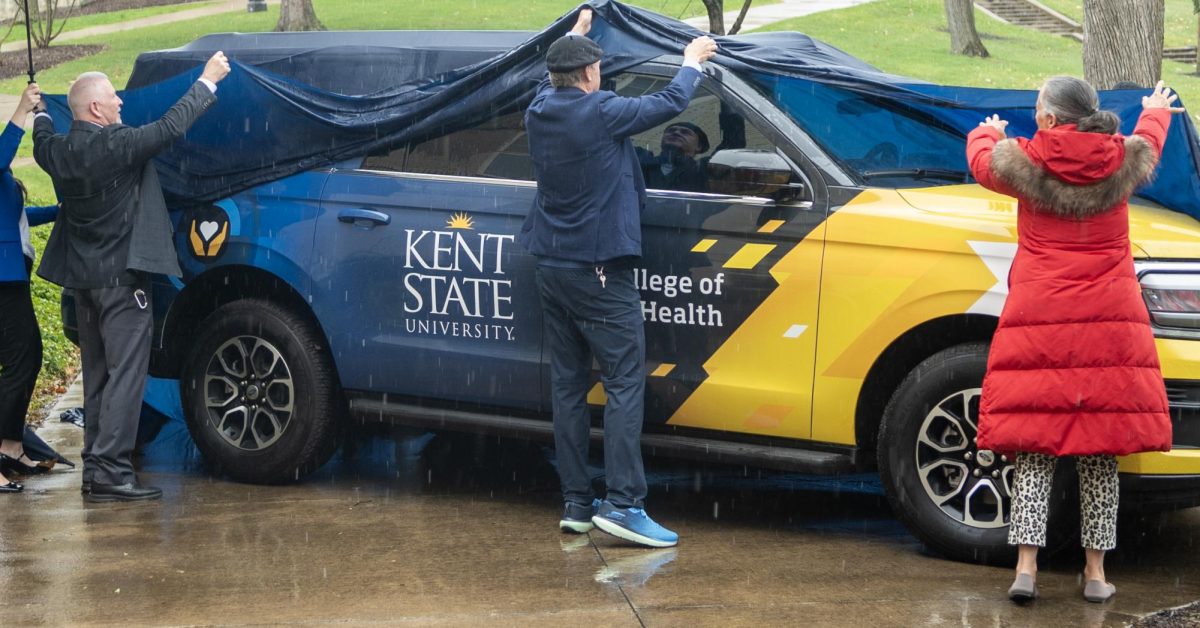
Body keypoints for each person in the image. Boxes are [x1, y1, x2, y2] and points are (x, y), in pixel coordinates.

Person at [967, 77, 1180, 603]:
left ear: (1047, 120)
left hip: (1042, 317)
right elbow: (1150, 142)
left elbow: (980, 164)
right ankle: (1095, 575)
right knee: (1099, 454)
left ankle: (1026, 569)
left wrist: (985, 131)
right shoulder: (1124, 159)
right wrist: (1156, 110)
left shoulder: (1024, 161)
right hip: (1109, 321)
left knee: (1036, 448)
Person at [519, 7, 717, 548]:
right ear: (588, 77)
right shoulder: (601, 111)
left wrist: (575, 36)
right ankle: (626, 505)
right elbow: (671, 103)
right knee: (625, 382)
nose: (600, 76)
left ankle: (577, 503)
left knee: (568, 385)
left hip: (552, 266)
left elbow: (549, 78)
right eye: (596, 69)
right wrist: (690, 62)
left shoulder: (539, 111)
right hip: (600, 272)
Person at [32, 52, 231, 502]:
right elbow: (170, 127)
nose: (120, 102)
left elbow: (41, 139)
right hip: (122, 282)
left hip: (83, 284)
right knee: (126, 376)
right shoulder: (116, 145)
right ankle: (112, 472)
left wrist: (39, 111)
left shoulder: (58, 152)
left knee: (99, 374)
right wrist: (207, 80)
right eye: (112, 98)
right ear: (95, 110)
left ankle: (95, 469)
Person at [0, 83, 59, 493]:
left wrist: (59, 211)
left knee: (27, 356)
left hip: (10, 275)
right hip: (1, 278)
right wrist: (22, 111)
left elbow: (17, 215)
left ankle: (11, 446)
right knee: (22, 357)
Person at [637, 122, 710, 192]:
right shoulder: (639, 162)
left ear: (699, 146)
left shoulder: (703, 170)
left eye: (685, 132)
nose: (676, 133)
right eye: (671, 131)